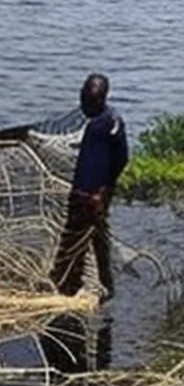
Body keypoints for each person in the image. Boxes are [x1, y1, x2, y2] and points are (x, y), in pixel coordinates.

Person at [50, 74, 129, 299]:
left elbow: (120, 159)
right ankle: (106, 285)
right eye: (83, 98)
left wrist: (101, 190)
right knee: (98, 239)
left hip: (88, 196)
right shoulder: (105, 120)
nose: (84, 104)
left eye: (89, 100)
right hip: (91, 194)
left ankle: (65, 287)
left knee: (73, 242)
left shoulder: (104, 124)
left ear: (102, 99)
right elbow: (121, 158)